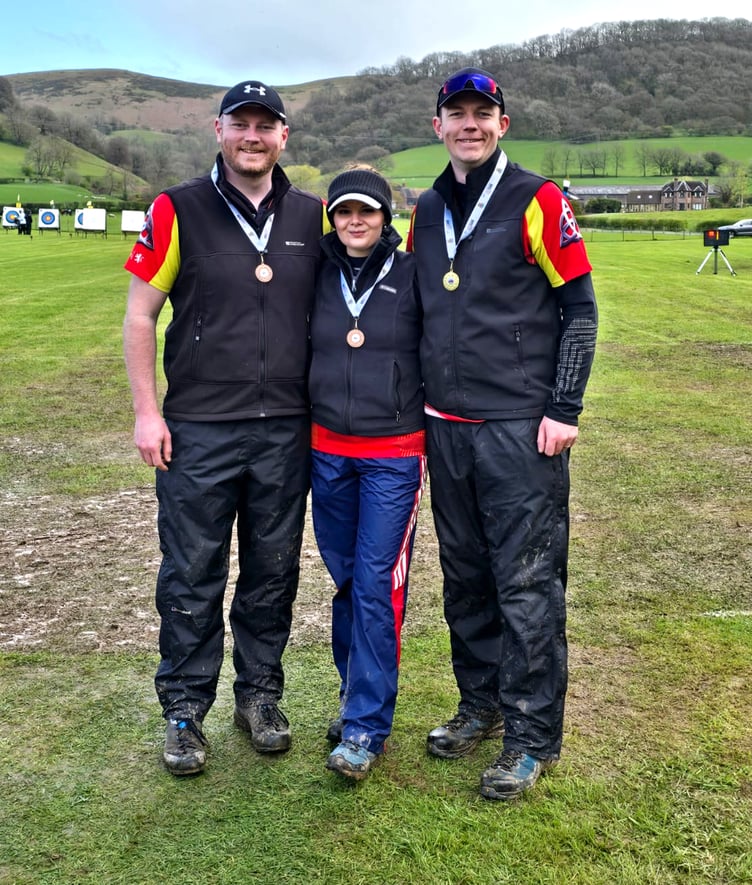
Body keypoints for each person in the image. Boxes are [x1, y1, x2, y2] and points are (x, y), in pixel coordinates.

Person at [123, 80, 326, 776]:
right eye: (240, 124)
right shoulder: (178, 207)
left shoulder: (313, 214)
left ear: (283, 137)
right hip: (200, 429)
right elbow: (141, 314)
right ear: (217, 130)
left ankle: (260, 697)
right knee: (191, 574)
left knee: (272, 574)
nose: (252, 136)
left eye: (265, 126)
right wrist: (148, 411)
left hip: (286, 432)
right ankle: (184, 711)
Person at [408, 68, 598, 800]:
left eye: (482, 113)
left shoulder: (538, 198)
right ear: (438, 126)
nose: (469, 124)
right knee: (467, 579)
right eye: (456, 113)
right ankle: (480, 704)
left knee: (527, 586)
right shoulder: (424, 210)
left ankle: (530, 735)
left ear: (503, 123)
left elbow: (578, 309)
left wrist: (565, 407)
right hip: (446, 427)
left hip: (521, 428)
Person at [309, 167, 425, 780]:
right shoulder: (316, 274)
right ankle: (353, 693)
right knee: (349, 579)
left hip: (394, 453)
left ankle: (365, 727)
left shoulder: (411, 274)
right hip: (327, 450)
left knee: (378, 583)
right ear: (332, 218)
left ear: (387, 220)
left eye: (369, 212)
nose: (356, 223)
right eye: (346, 212)